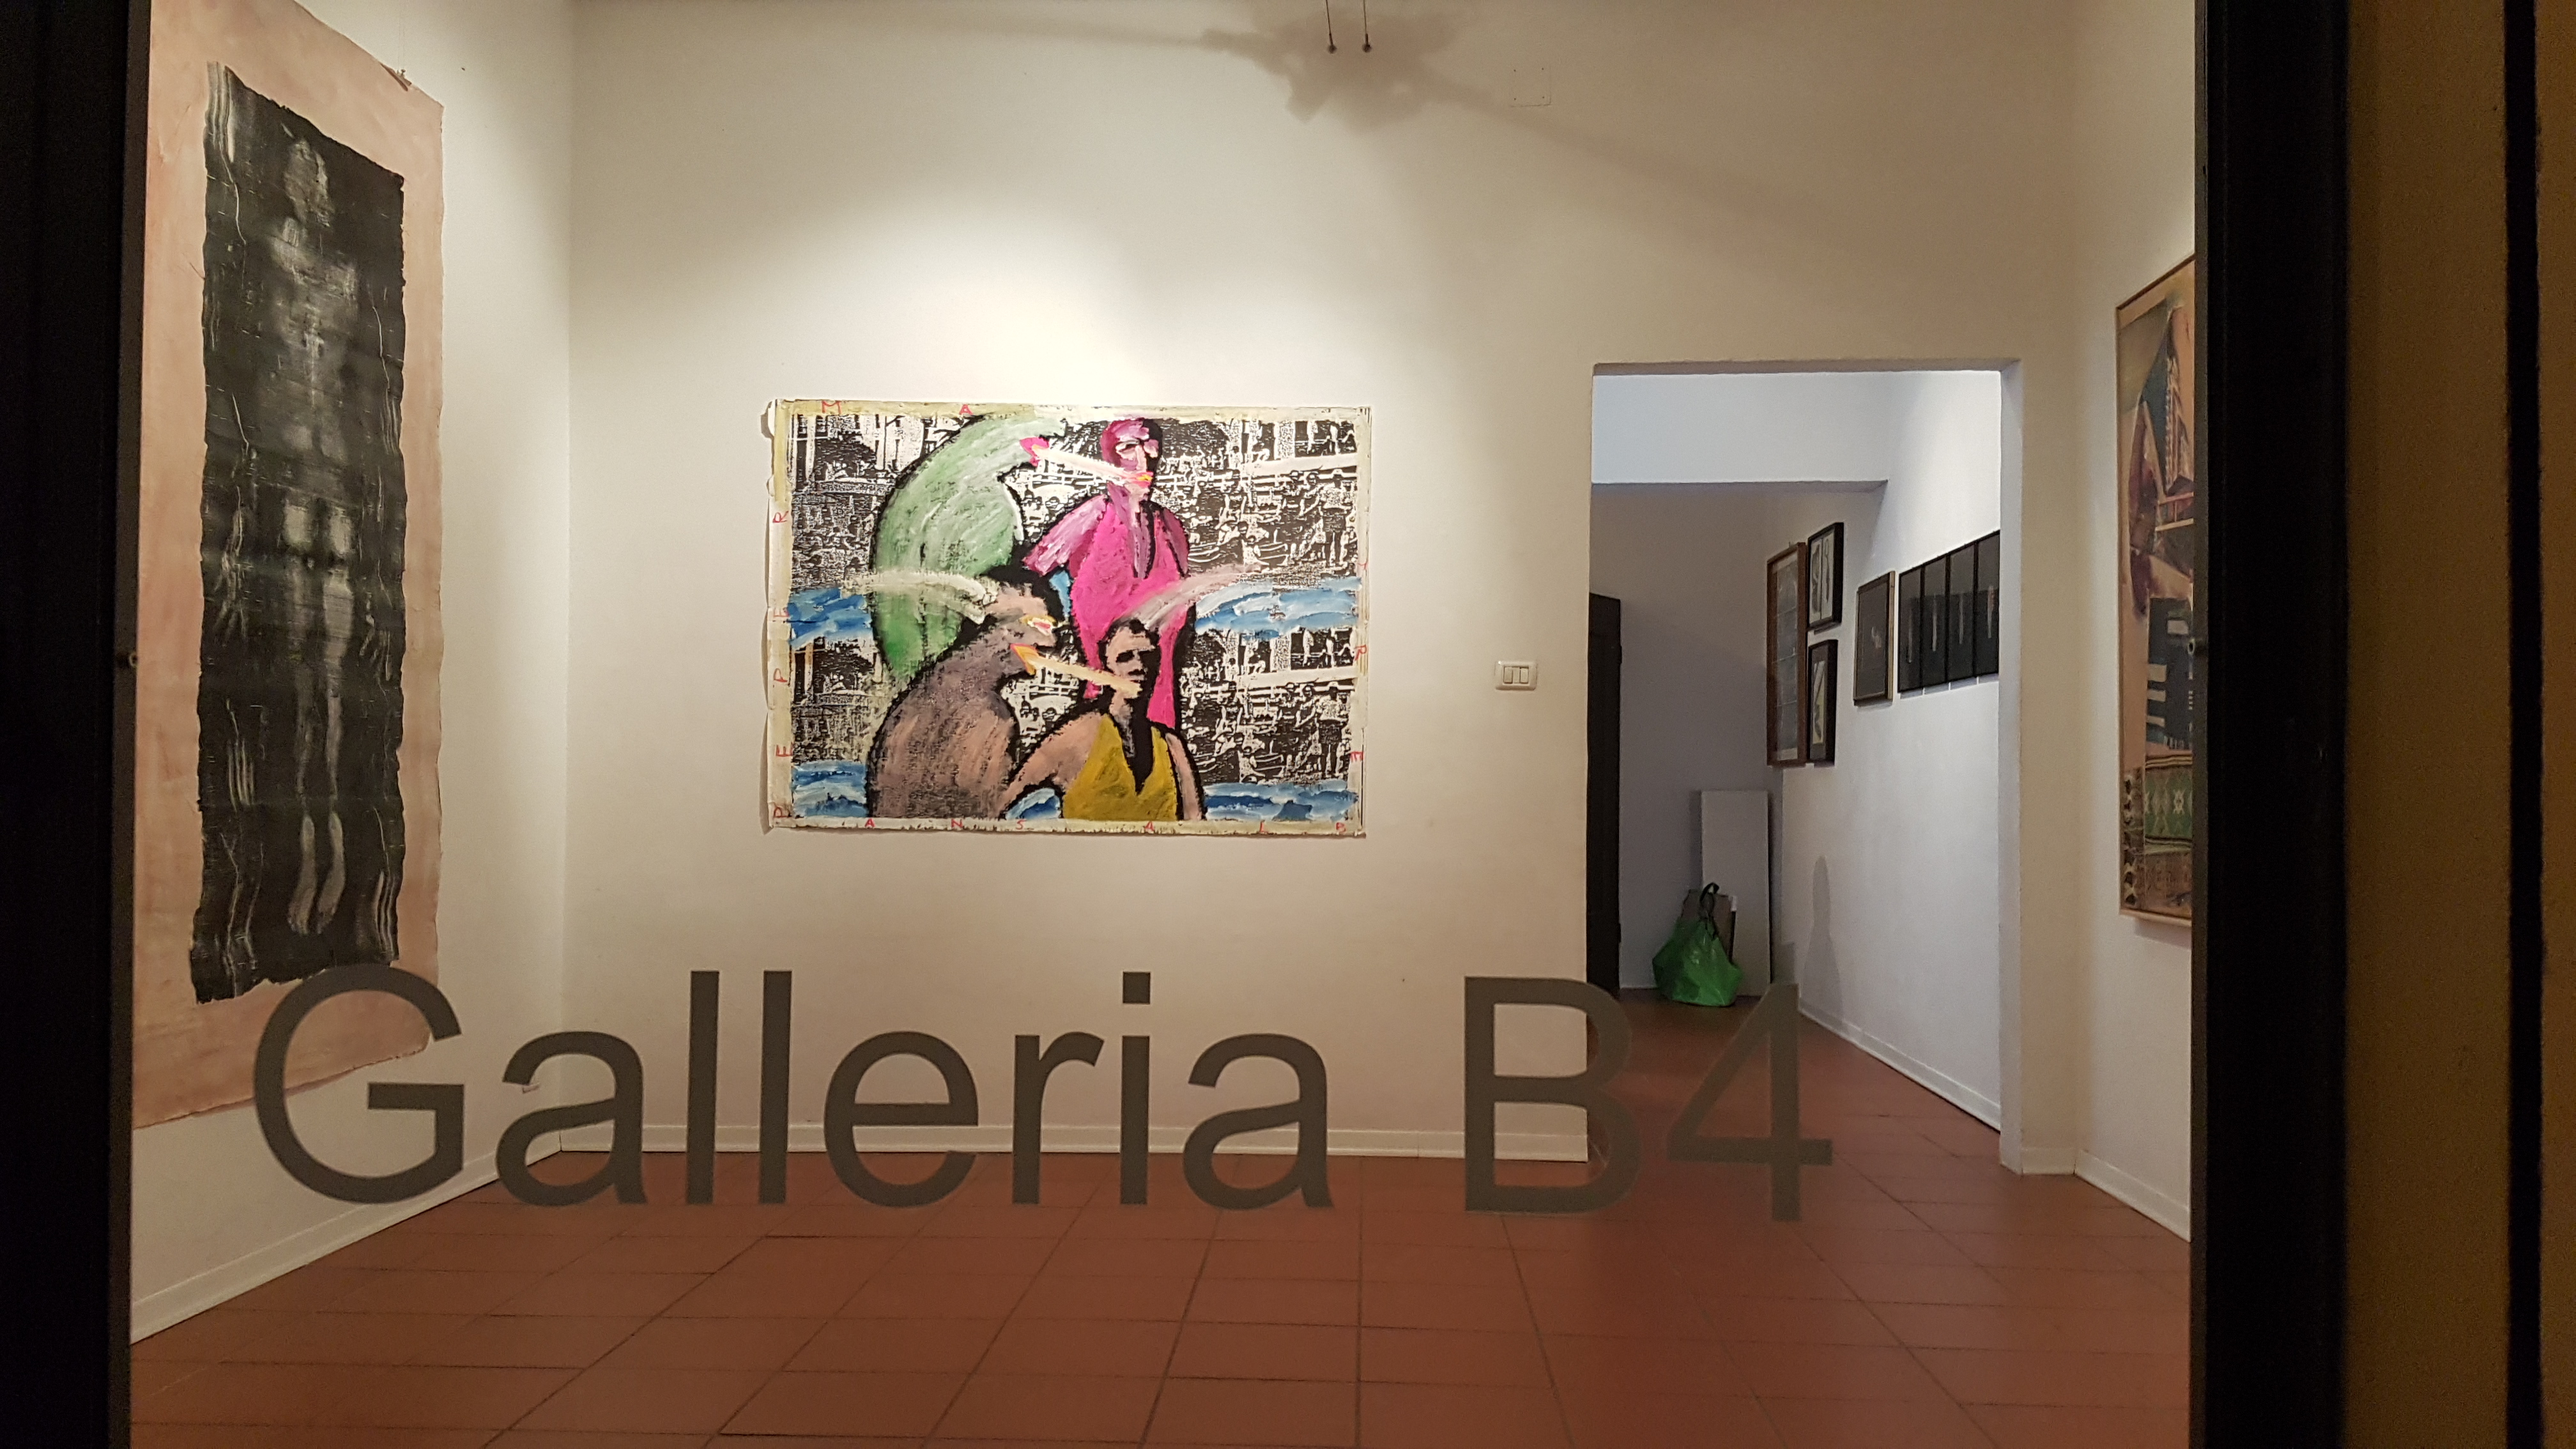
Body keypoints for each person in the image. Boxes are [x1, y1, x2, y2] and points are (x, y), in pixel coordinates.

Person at [1023, 418, 1195, 732]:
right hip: (1103, 717)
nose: (1144, 458)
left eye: (1151, 447)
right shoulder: (1092, 517)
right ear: (1109, 459)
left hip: (1163, 720)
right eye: (1129, 447)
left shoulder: (1170, 527)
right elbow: (1027, 576)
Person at [866, 566, 1062, 820]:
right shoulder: (988, 719)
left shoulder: (927, 692)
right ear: (1001, 630)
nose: (1049, 644)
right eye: (1040, 627)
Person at [1004, 618, 1204, 823]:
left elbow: (1196, 824)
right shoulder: (1078, 736)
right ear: (1106, 668)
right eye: (1125, 658)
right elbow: (1005, 803)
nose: (1138, 666)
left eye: (1147, 657)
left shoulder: (1172, 747)